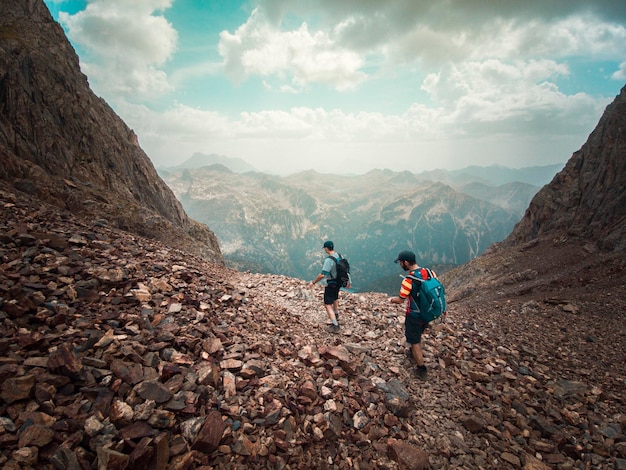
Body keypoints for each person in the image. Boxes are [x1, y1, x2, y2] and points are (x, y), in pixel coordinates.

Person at [388, 250, 432, 380]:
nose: (400, 265)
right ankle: (414, 353)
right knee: (418, 333)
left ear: (406, 262)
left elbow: (401, 299)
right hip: (428, 312)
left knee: (414, 340)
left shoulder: (408, 280)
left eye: (401, 262)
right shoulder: (429, 272)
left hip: (414, 314)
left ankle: (421, 369)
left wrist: (391, 300)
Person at [309, 240, 349, 333]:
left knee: (327, 304)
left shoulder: (329, 260)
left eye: (324, 248)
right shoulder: (340, 256)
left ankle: (335, 325)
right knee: (335, 298)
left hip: (331, 283)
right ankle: (336, 314)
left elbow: (323, 274)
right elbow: (345, 269)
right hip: (339, 282)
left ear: (326, 248)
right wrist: (348, 281)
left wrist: (313, 282)